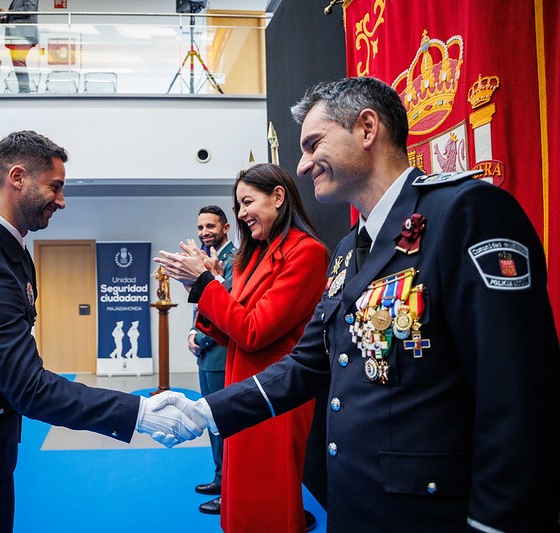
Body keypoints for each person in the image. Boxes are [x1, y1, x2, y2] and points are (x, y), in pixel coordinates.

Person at [155, 77, 560, 532]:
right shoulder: (350, 247)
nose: (303, 165)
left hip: (432, 513)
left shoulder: (466, 213)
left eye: (313, 144)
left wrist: (497, 524)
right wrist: (203, 412)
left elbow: (517, 390)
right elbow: (309, 363)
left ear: (367, 129)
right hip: (356, 502)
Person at [0, 130, 202, 533]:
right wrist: (138, 413)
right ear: (17, 177)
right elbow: (29, 388)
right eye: (56, 186)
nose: (62, 200)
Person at [156, 163, 328, 532]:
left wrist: (205, 284)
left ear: (278, 197)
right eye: (238, 206)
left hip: (275, 396)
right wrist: (200, 288)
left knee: (266, 503)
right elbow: (233, 331)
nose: (242, 214)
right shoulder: (257, 254)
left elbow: (253, 331)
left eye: (248, 202)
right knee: (244, 500)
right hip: (243, 391)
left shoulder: (306, 253)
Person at [187, 205, 234, 515]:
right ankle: (220, 478)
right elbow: (202, 304)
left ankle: (230, 490)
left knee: (224, 423)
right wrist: (193, 331)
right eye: (201, 226)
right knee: (212, 422)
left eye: (210, 226)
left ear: (226, 228)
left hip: (220, 354)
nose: (205, 232)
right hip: (206, 355)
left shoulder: (234, 260)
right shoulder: (207, 260)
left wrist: (201, 337)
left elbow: (225, 305)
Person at [0, 0, 38, 94]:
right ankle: (24, 89)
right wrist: (4, 18)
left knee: (18, 60)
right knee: (17, 61)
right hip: (16, 33)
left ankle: (25, 90)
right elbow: (15, 16)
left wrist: (8, 12)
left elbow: (29, 10)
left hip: (24, 33)